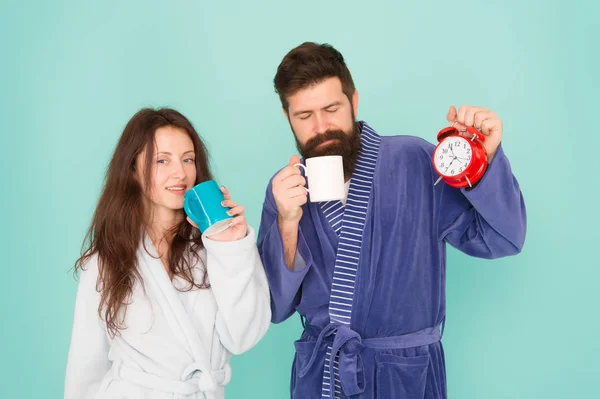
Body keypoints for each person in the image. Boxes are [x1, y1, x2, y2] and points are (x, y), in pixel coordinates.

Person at [257, 42, 526, 399]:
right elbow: (274, 308)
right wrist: (287, 223)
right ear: (287, 117)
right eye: (304, 116)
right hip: (323, 378)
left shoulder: (414, 160)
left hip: (406, 377)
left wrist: (485, 162)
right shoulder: (286, 190)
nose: (321, 127)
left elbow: (504, 238)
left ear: (353, 102)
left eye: (332, 109)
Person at [65, 108, 271, 399]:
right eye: (163, 160)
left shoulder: (218, 247)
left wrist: (231, 247)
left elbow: (243, 337)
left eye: (188, 159)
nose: (181, 172)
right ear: (133, 169)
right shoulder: (105, 260)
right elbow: (85, 365)